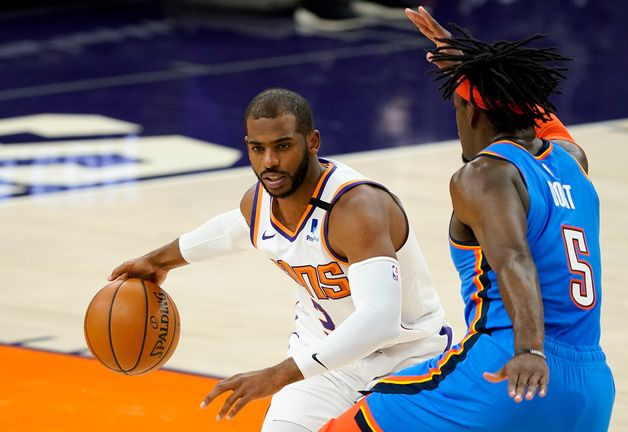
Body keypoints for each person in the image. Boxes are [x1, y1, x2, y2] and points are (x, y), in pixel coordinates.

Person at [320, 6, 615, 431]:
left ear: (473, 112)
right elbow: (532, 112)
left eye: (458, 108)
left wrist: (529, 350)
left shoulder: (484, 174)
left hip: (506, 367)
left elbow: (514, 258)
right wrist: (470, 66)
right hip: (591, 388)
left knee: (352, 423)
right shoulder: (572, 160)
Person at [109, 87, 452, 432]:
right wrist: (157, 261)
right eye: (258, 149)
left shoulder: (355, 209)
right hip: (325, 360)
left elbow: (380, 321)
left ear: (313, 142)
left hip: (407, 361)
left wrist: (277, 375)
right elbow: (231, 230)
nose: (269, 161)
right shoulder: (258, 204)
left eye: (283, 146)